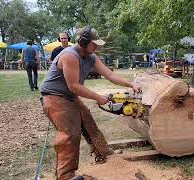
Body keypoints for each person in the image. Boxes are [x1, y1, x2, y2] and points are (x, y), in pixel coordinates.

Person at [40, 26, 141, 180]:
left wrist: (131, 84)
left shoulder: (91, 57)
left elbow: (110, 75)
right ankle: (66, 176)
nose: (96, 46)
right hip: (54, 97)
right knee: (69, 134)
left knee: (88, 123)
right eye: (94, 43)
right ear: (83, 41)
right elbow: (73, 85)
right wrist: (98, 97)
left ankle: (104, 154)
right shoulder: (69, 56)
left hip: (70, 96)